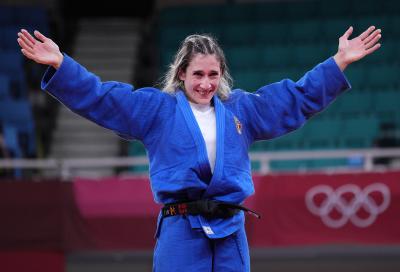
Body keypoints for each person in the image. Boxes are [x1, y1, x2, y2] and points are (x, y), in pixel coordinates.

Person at [17, 25, 381, 271]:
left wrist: (338, 63)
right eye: (198, 75)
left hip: (230, 228)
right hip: (180, 227)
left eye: (213, 75)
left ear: (222, 74)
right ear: (181, 74)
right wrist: (62, 65)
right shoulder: (156, 109)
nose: (206, 83)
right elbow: (100, 98)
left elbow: (295, 98)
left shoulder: (242, 109)